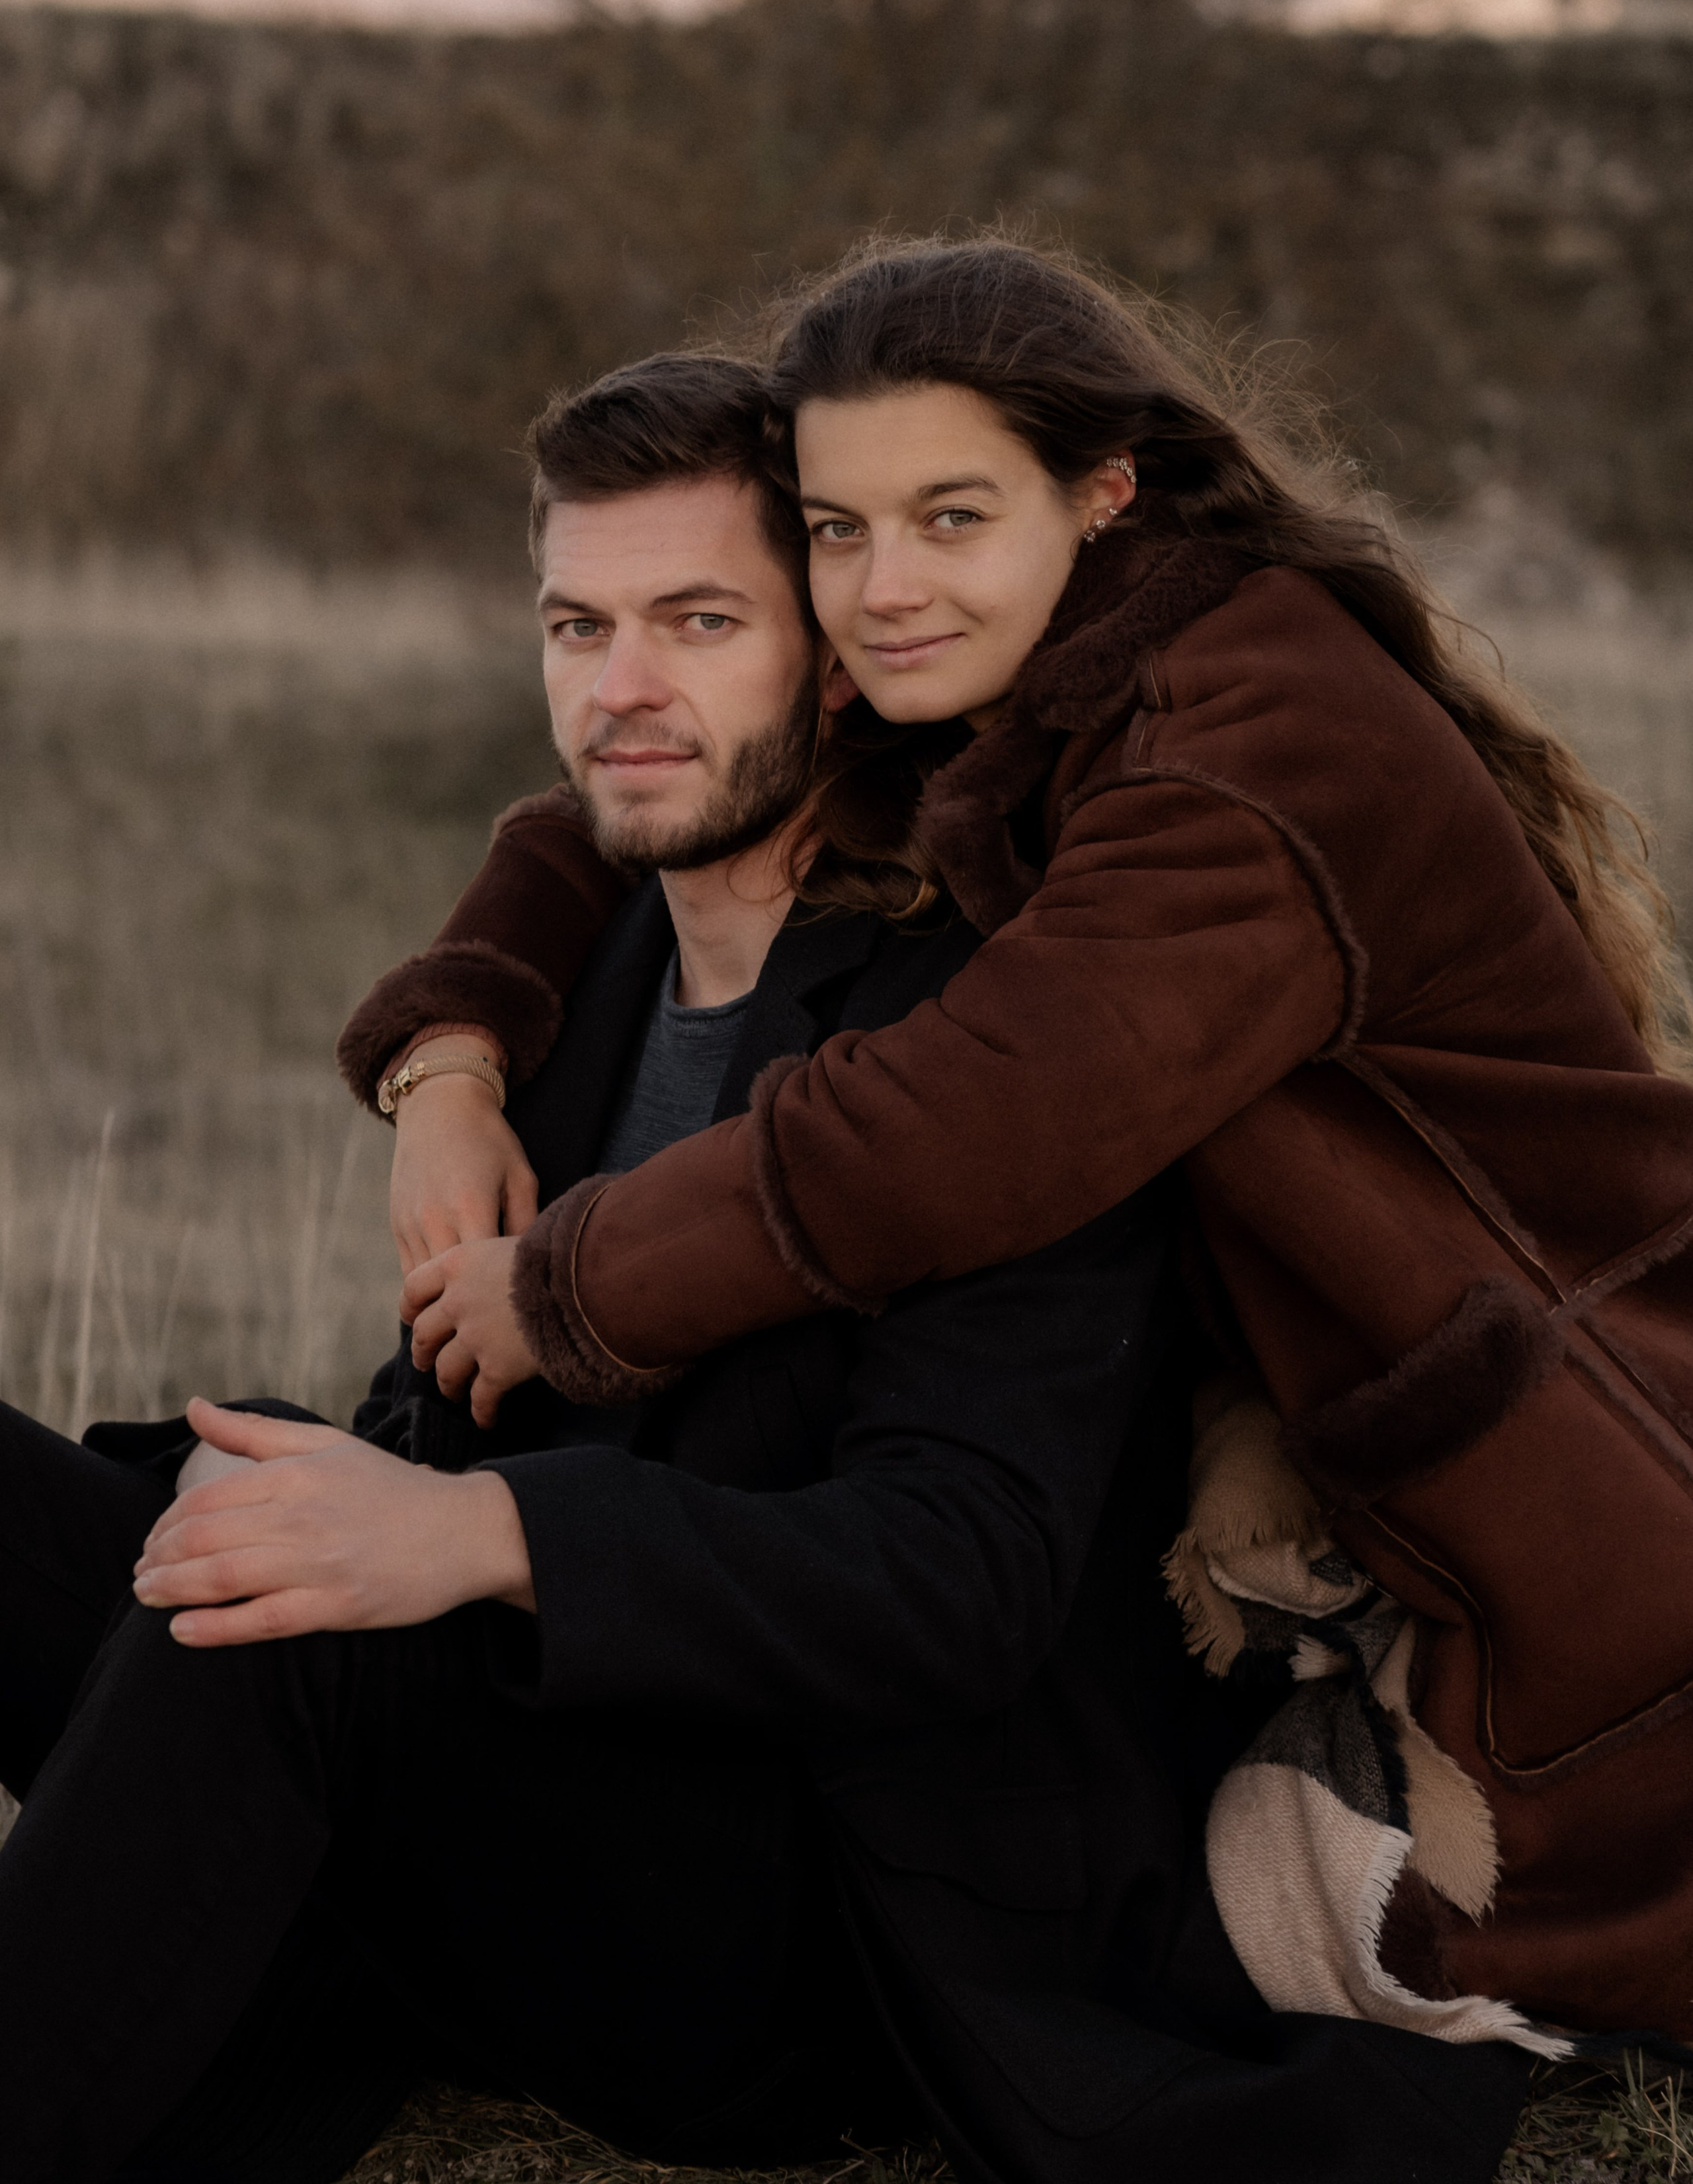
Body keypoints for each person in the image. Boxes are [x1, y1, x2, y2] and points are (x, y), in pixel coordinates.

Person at [0, 355, 1533, 2184]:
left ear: (832, 654)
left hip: (814, 1905)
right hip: (529, 1767)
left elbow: (962, 1576)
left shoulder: (1003, 1035)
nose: (620, 689)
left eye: (697, 620)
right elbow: (464, 1405)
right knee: (170, 1519)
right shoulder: (576, 980)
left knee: (288, 1622)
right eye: (579, 623)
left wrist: (482, 1543)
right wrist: (435, 1110)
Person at [342, 237, 1693, 2048]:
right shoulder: (1061, 669)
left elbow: (963, 1123)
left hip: (1572, 1445)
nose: (883, 588)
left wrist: (573, 1287)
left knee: (1494, 1938)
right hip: (1358, 1416)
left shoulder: (1245, 748)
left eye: (952, 515)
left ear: (1103, 485)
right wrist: (446, 1062)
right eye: (837, 530)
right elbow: (607, 802)